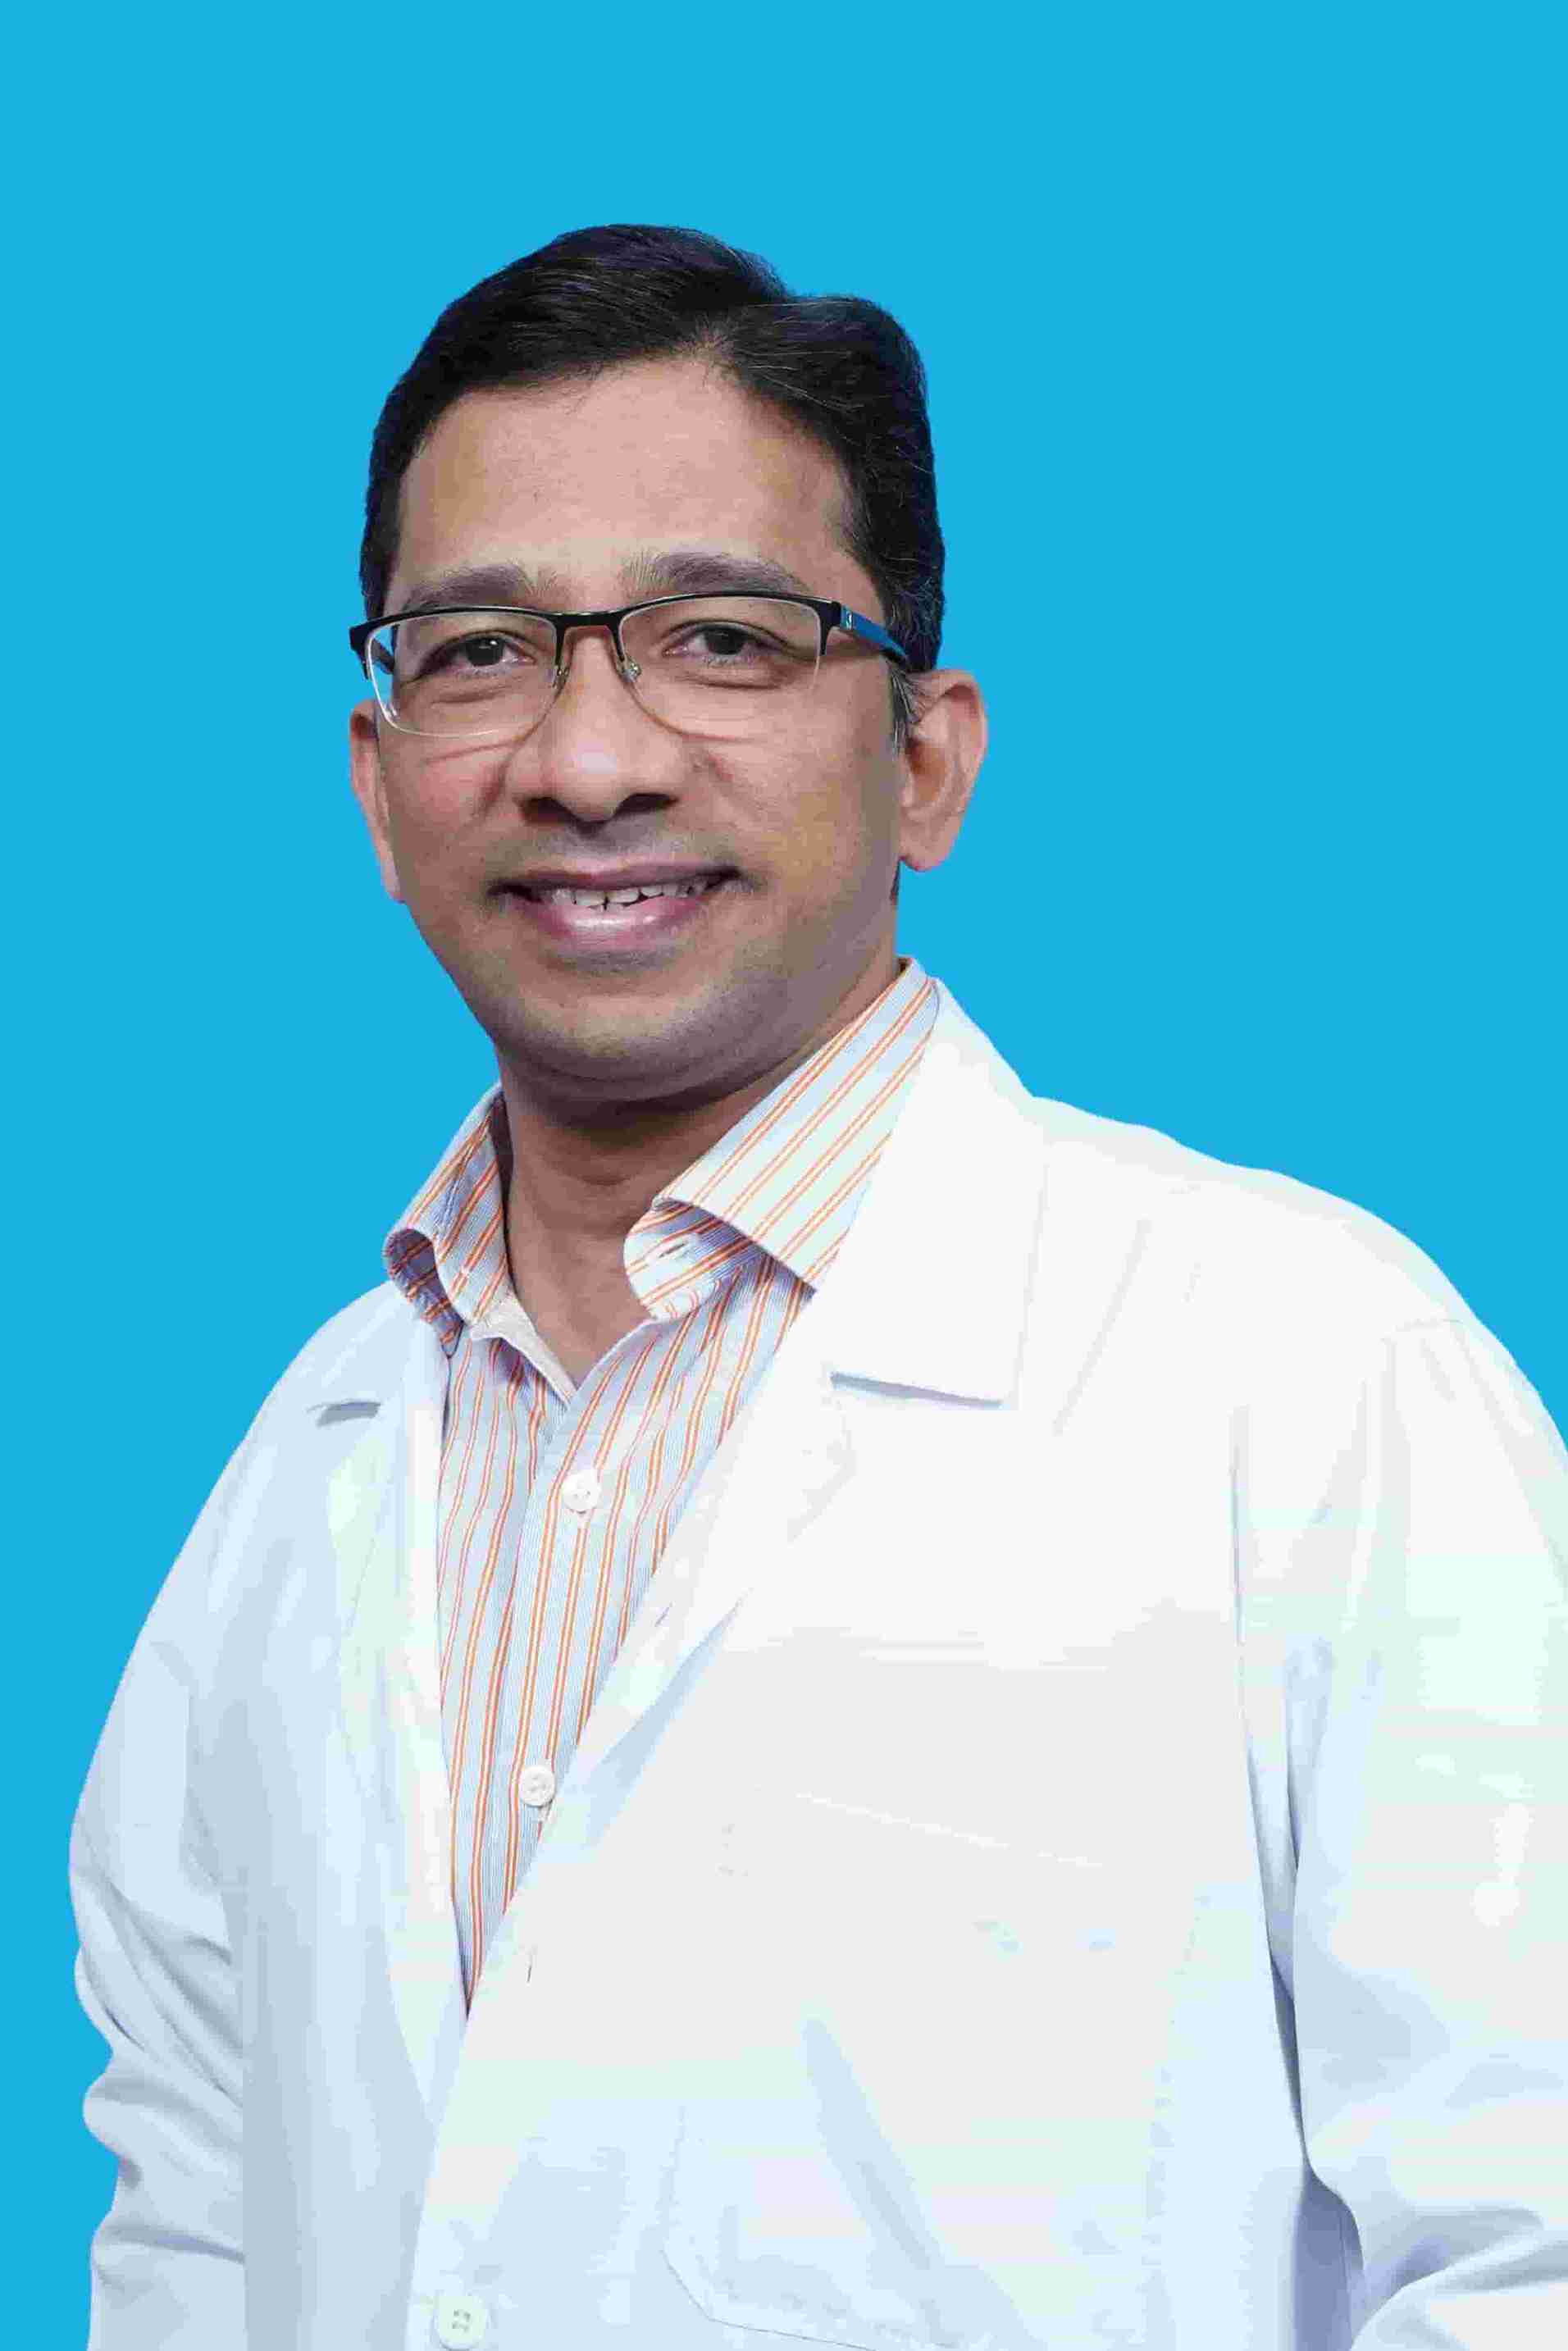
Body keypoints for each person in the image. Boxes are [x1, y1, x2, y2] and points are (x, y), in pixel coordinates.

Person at [71, 223, 1568, 2350]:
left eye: (724, 639)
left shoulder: (1314, 1382)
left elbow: (1535, 2247)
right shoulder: (301, 1471)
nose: (590, 760)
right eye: (479, 651)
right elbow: (197, 2238)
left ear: (927, 760)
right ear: (379, 787)